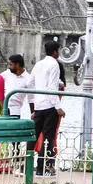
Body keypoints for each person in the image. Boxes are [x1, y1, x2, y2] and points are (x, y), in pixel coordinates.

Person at [32, 38, 66, 176]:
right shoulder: (54, 65)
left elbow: (30, 82)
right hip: (49, 106)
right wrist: (58, 107)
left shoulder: (38, 64)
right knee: (48, 138)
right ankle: (43, 168)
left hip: (39, 106)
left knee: (33, 136)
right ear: (55, 52)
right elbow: (51, 89)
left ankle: (27, 166)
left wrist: (34, 103)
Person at [2, 54, 35, 171]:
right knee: (2, 135)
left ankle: (16, 161)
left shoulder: (28, 78)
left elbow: (31, 98)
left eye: (11, 64)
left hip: (15, 109)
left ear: (17, 65)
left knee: (15, 137)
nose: (9, 66)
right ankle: (2, 160)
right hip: (2, 108)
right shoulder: (6, 74)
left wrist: (33, 113)